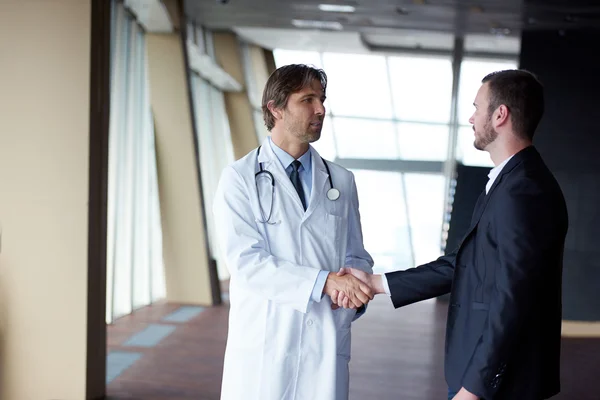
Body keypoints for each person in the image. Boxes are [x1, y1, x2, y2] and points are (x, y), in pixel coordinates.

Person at [334, 69, 568, 400]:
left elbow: (513, 299)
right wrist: (374, 284)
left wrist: (475, 387)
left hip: (498, 385)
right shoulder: (508, 182)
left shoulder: (523, 189)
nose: (471, 117)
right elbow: (464, 263)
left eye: (477, 107)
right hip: (484, 377)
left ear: (500, 115)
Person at [213, 64, 374, 400]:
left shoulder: (341, 181)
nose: (321, 110)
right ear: (276, 108)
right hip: (265, 341)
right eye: (308, 100)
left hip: (325, 340)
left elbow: (355, 254)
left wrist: (353, 289)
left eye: (322, 100)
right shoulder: (240, 178)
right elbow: (246, 262)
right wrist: (326, 282)